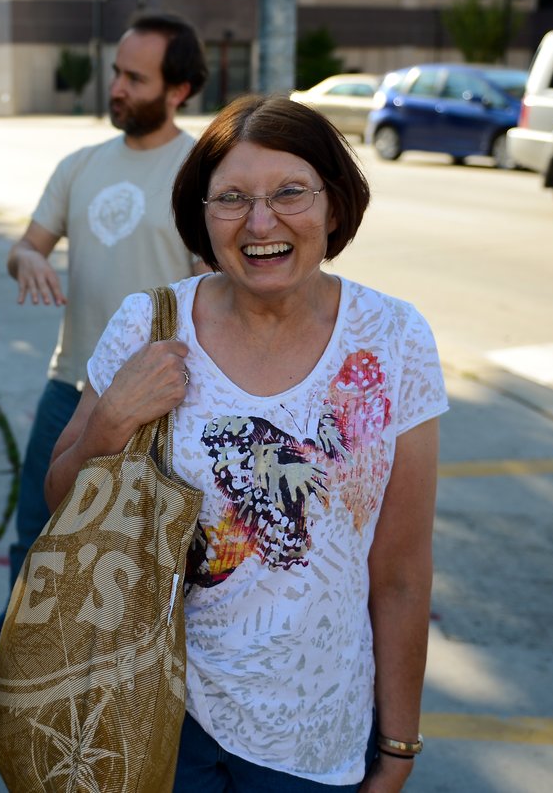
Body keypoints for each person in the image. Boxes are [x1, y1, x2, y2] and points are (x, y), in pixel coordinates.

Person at [44, 94, 446, 791]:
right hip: (157, 716)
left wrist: (399, 746)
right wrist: (112, 420)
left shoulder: (394, 339)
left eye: (290, 192)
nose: (262, 222)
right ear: (201, 216)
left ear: (335, 204)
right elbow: (58, 502)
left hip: (314, 739)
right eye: (231, 198)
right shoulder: (151, 324)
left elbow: (403, 570)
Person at [0, 11, 209, 700]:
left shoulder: (200, 171)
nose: (116, 88)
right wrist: (26, 263)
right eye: (116, 72)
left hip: (167, 400)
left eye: (135, 78)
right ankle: (11, 662)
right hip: (70, 383)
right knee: (34, 536)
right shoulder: (79, 165)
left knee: (142, 557)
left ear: (180, 89)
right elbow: (27, 244)